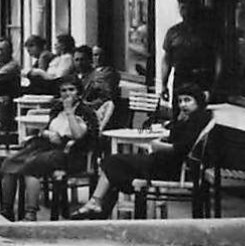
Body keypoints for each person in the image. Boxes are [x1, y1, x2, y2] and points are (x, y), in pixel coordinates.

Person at [71, 81, 214, 219]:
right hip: (165, 163)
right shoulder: (191, 118)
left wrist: (157, 145)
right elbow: (175, 136)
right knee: (115, 164)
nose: (183, 104)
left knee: (113, 161)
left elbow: (180, 148)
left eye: (187, 100)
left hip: (168, 168)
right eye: (180, 101)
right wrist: (176, 123)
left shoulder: (196, 120)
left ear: (198, 102)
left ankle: (97, 204)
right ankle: (97, 205)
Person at [0, 78, 99, 221]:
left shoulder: (85, 112)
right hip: (47, 146)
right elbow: (46, 129)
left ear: (79, 93)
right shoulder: (57, 108)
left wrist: (69, 112)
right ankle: (6, 210)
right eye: (63, 90)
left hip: (72, 153)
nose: (67, 94)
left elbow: (79, 136)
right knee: (10, 163)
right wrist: (48, 134)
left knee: (31, 166)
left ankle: (30, 213)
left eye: (71, 90)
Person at [161, 0, 218, 99]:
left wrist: (213, 87)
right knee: (179, 112)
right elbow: (167, 60)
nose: (185, 12)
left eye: (188, 8)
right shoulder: (173, 32)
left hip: (201, 79)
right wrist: (164, 85)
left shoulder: (207, 32)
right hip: (181, 78)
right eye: (182, 8)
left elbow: (217, 59)